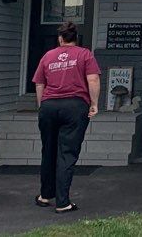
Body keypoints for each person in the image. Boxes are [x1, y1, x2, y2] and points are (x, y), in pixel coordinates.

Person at [32, 22, 101, 213]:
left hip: (49, 106)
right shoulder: (85, 54)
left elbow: (39, 83)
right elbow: (93, 79)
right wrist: (94, 103)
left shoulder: (48, 56)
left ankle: (45, 195)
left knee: (48, 150)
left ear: (60, 39)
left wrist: (42, 106)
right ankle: (63, 202)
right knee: (66, 153)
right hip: (75, 106)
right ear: (75, 38)